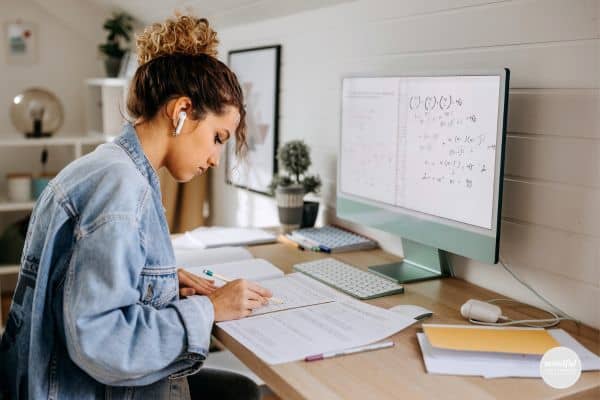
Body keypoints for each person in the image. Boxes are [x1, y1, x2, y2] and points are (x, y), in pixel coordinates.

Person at [0, 15, 272, 400]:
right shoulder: (121, 189)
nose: (214, 159)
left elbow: (77, 280)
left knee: (240, 390)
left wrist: (154, 283)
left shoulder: (108, 165)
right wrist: (209, 309)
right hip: (81, 387)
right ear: (181, 112)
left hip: (49, 378)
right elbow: (103, 341)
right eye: (217, 137)